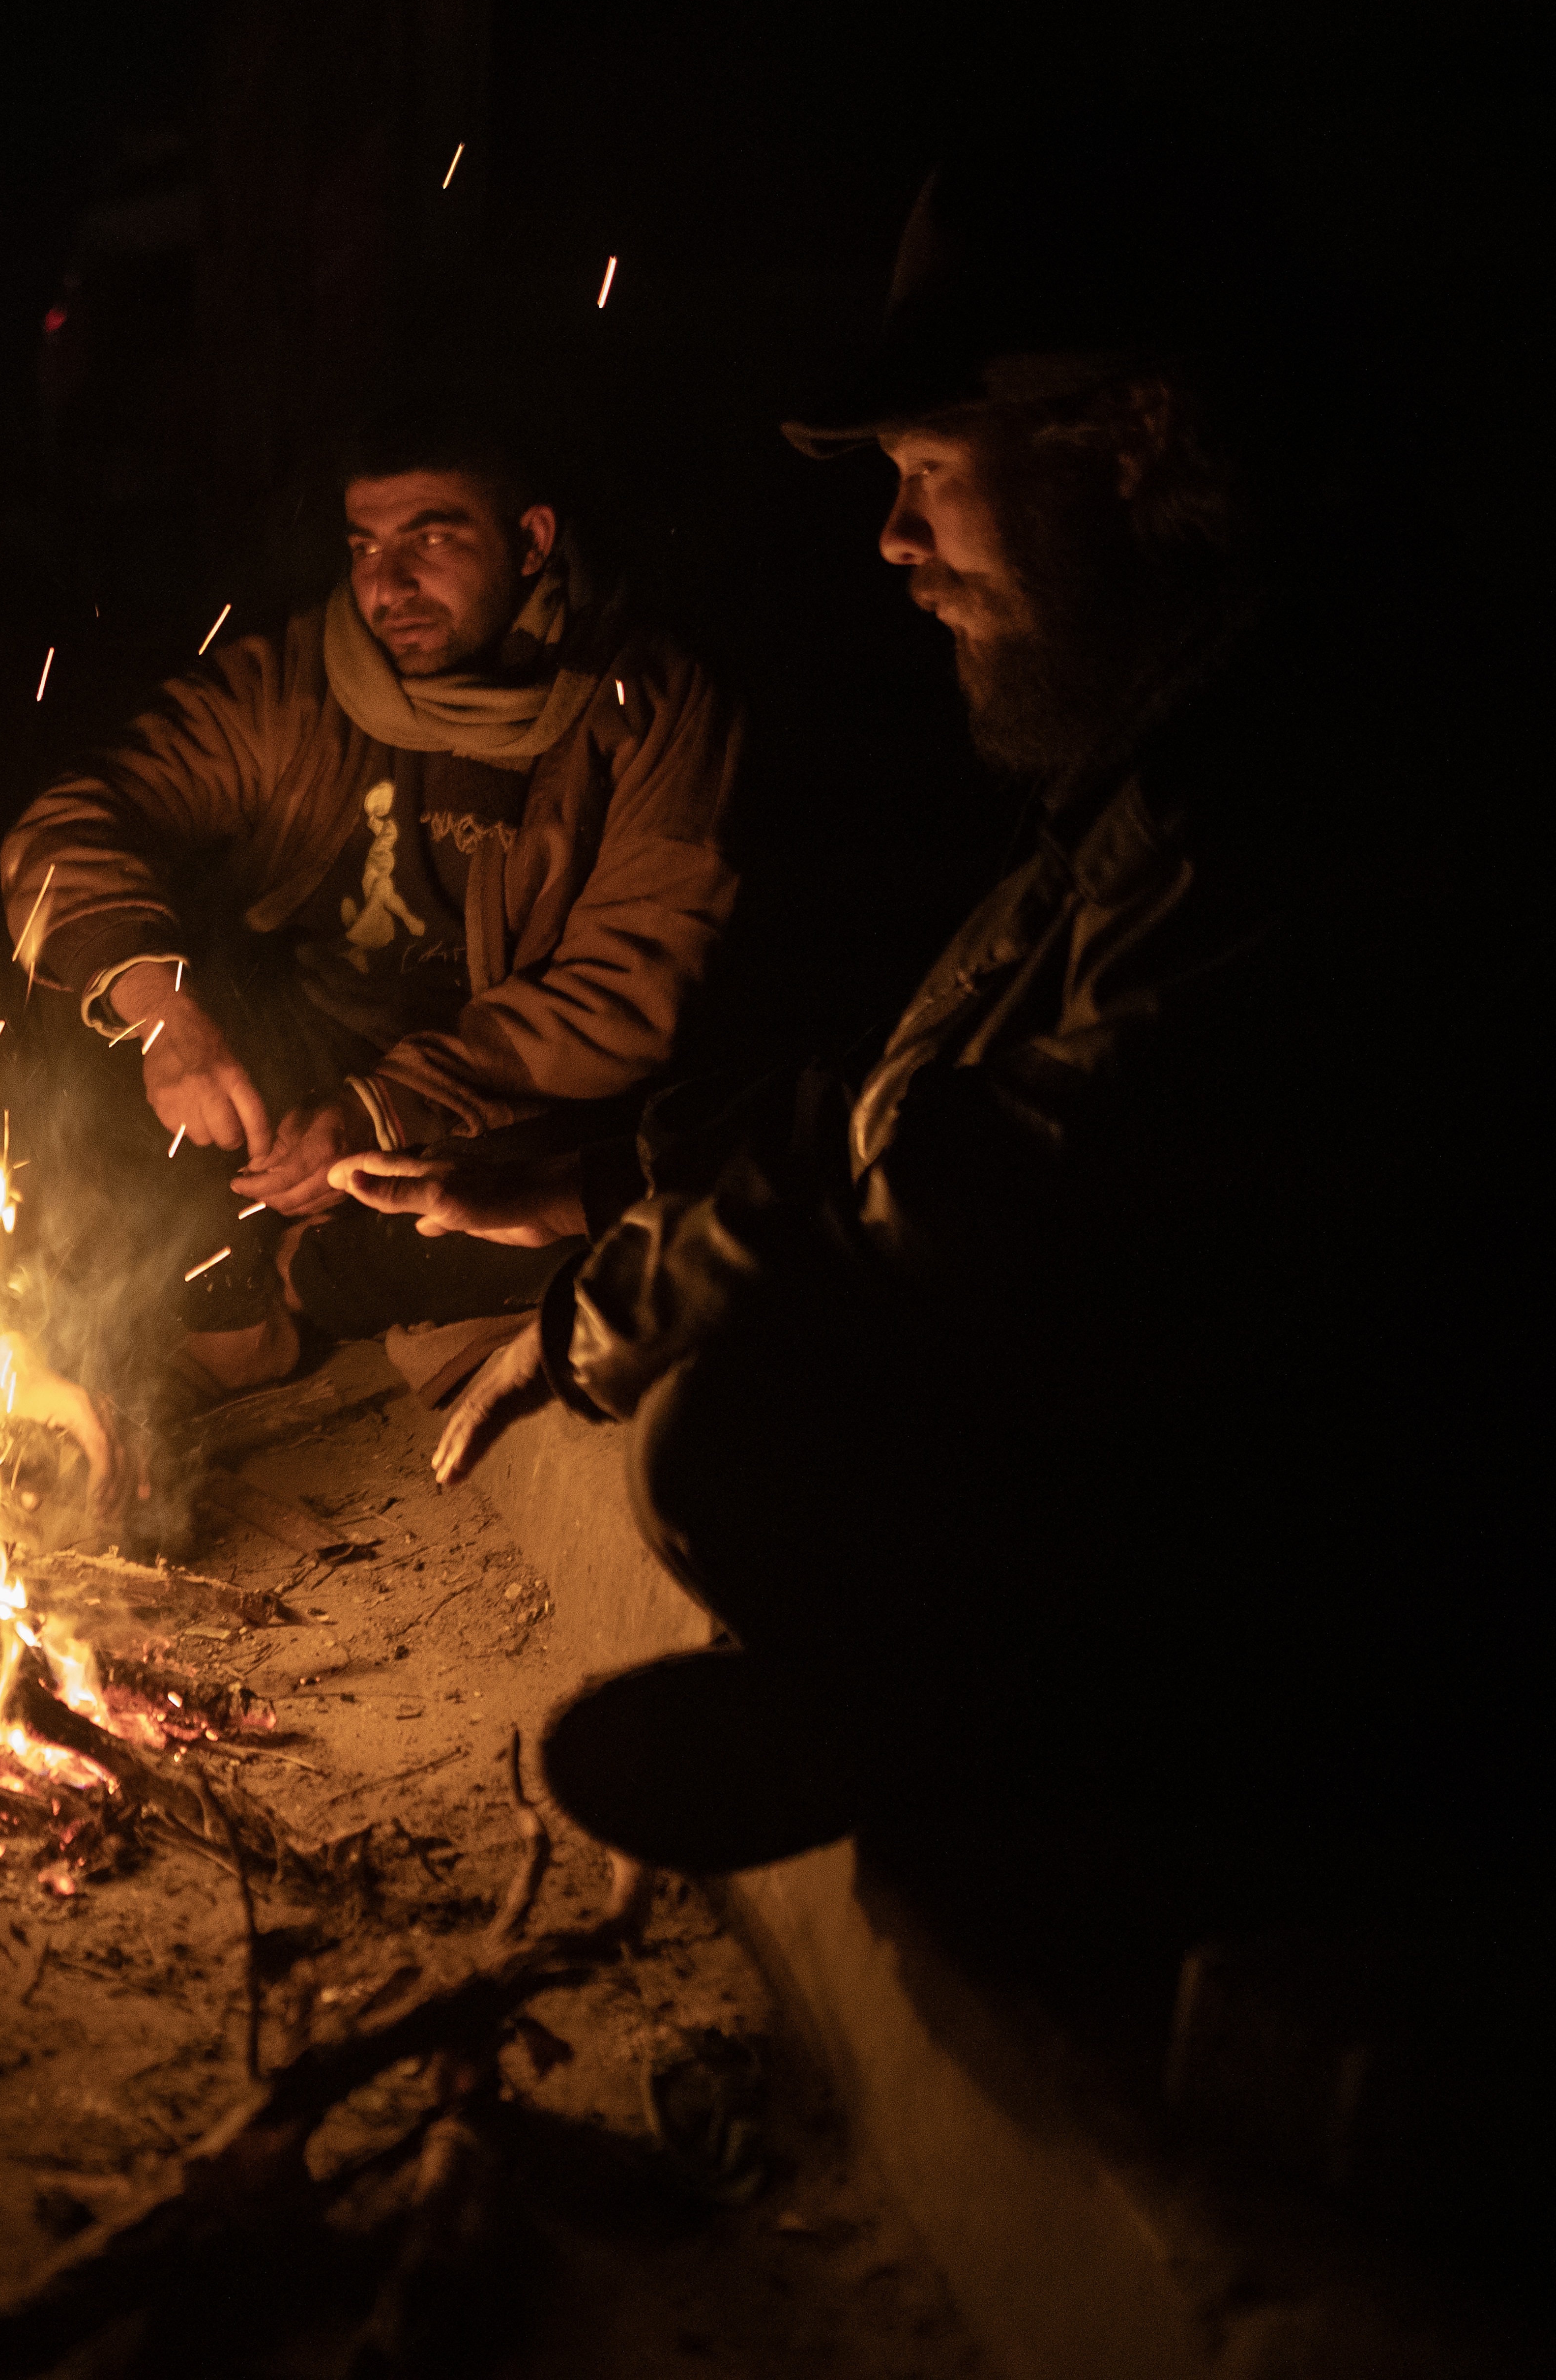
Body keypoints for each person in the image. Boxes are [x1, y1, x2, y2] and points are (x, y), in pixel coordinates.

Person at [336, 132, 1481, 1961]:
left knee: (747, 1440)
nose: (893, 542)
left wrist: (620, 1301)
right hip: (1146, 1418)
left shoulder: (1302, 799)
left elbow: (991, 1187)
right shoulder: (1142, 763)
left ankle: (1123, 1779)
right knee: (727, 1418)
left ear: (1128, 452)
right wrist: (597, 1198)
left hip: (1355, 1527)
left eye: (934, 477)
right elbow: (899, 1091)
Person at [0, 406, 739, 1413]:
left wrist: (380, 1109)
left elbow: (628, 990)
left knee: (583, 1198)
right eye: (365, 547)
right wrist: (160, 1007)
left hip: (501, 1096)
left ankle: (304, 1288)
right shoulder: (299, 683)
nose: (388, 586)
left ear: (531, 541)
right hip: (303, 1056)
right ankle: (224, 1300)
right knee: (86, 996)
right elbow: (71, 826)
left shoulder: (646, 703)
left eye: (432, 539)